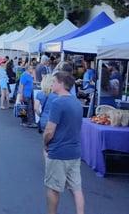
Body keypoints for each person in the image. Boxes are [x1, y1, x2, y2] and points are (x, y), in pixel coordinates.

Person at [43, 71, 84, 214]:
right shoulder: (77, 103)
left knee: (53, 189)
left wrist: (45, 143)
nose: (52, 84)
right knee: (76, 189)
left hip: (59, 152)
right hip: (74, 152)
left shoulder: (58, 102)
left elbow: (49, 130)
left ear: (61, 83)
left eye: (54, 81)